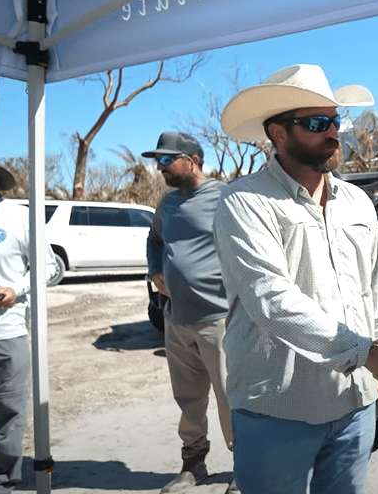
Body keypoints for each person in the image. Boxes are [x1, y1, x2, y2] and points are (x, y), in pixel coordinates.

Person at [213, 64, 378, 494]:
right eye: (317, 123)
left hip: (355, 406)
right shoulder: (245, 202)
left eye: (335, 121)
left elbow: (372, 290)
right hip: (277, 410)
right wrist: (365, 354)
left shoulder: (359, 203)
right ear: (279, 134)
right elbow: (271, 298)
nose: (333, 133)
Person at [143, 132, 238, 494]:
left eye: (167, 160)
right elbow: (154, 241)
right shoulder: (166, 204)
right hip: (177, 320)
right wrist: (154, 270)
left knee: (232, 396)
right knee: (188, 400)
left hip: (220, 320)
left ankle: (244, 469)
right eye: (158, 161)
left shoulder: (226, 197)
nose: (160, 168)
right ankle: (193, 465)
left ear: (193, 160)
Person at [0, 146, 55, 494]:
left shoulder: (19, 217)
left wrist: (17, 289)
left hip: (3, 335)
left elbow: (49, 267)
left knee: (8, 417)